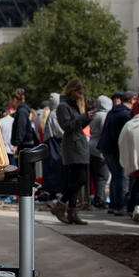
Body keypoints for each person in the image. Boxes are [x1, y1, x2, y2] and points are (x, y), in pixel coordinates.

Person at [53, 79, 96, 225]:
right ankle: (61, 204)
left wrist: (88, 118)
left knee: (77, 179)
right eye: (78, 92)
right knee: (80, 179)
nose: (80, 96)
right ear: (71, 90)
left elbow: (78, 125)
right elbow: (67, 126)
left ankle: (72, 211)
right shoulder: (63, 106)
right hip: (73, 145)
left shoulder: (72, 106)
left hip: (78, 143)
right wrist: (84, 117)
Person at [97, 91, 135, 215]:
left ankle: (114, 205)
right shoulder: (125, 114)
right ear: (132, 100)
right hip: (116, 149)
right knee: (121, 177)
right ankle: (119, 205)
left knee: (115, 177)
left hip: (107, 148)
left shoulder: (112, 112)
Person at [88, 94, 113, 208]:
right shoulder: (104, 116)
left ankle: (98, 197)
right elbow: (105, 132)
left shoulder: (95, 115)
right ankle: (100, 198)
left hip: (92, 145)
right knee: (103, 176)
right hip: (99, 148)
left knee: (97, 175)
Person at [10, 88, 37, 153]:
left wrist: (17, 144)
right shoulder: (22, 110)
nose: (10, 103)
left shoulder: (22, 111)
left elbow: (21, 127)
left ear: (15, 100)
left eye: (10, 100)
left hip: (25, 145)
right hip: (25, 144)